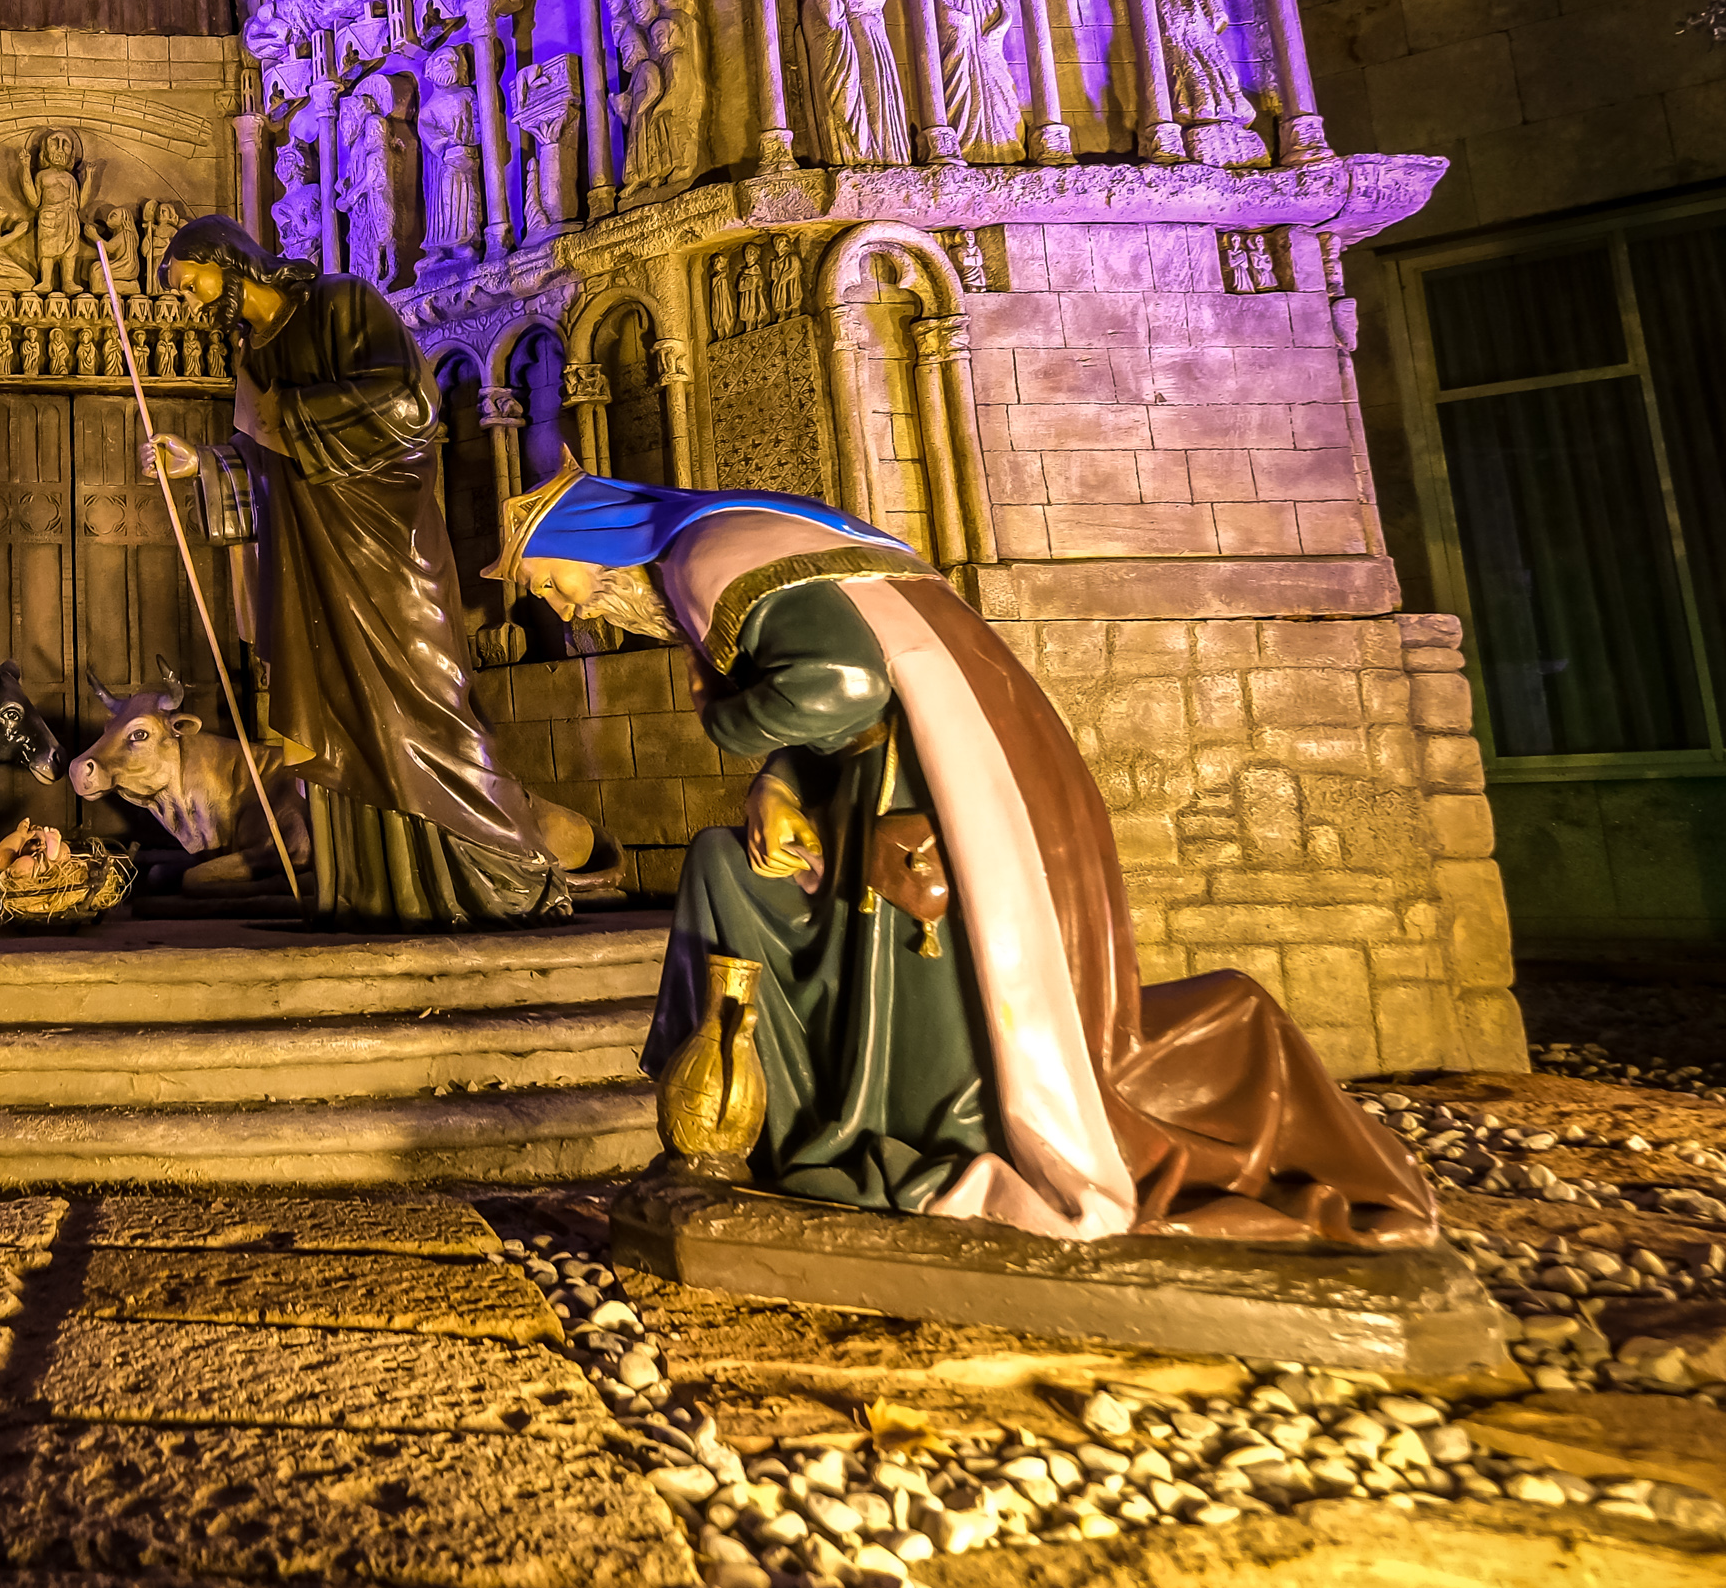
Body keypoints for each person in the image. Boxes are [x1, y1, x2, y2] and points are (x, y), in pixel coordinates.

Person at [491, 457, 1437, 1246]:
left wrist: (733, 726)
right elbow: (840, 690)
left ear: (594, 543)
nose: (565, 610)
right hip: (898, 784)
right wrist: (775, 780)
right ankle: (786, 1118)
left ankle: (889, 1137)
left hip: (916, 807)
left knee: (817, 922)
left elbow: (841, 684)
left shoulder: (711, 557)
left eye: (550, 580)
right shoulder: (737, 545)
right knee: (727, 868)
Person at [144, 215, 556, 928]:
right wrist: (202, 463)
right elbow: (267, 463)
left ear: (224, 261)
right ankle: (375, 887)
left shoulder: (340, 302)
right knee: (336, 706)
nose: (188, 304)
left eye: (188, 286)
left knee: (425, 704)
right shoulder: (252, 358)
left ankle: (500, 871)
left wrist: (294, 415)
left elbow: (410, 404)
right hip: (313, 564)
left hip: (386, 549)